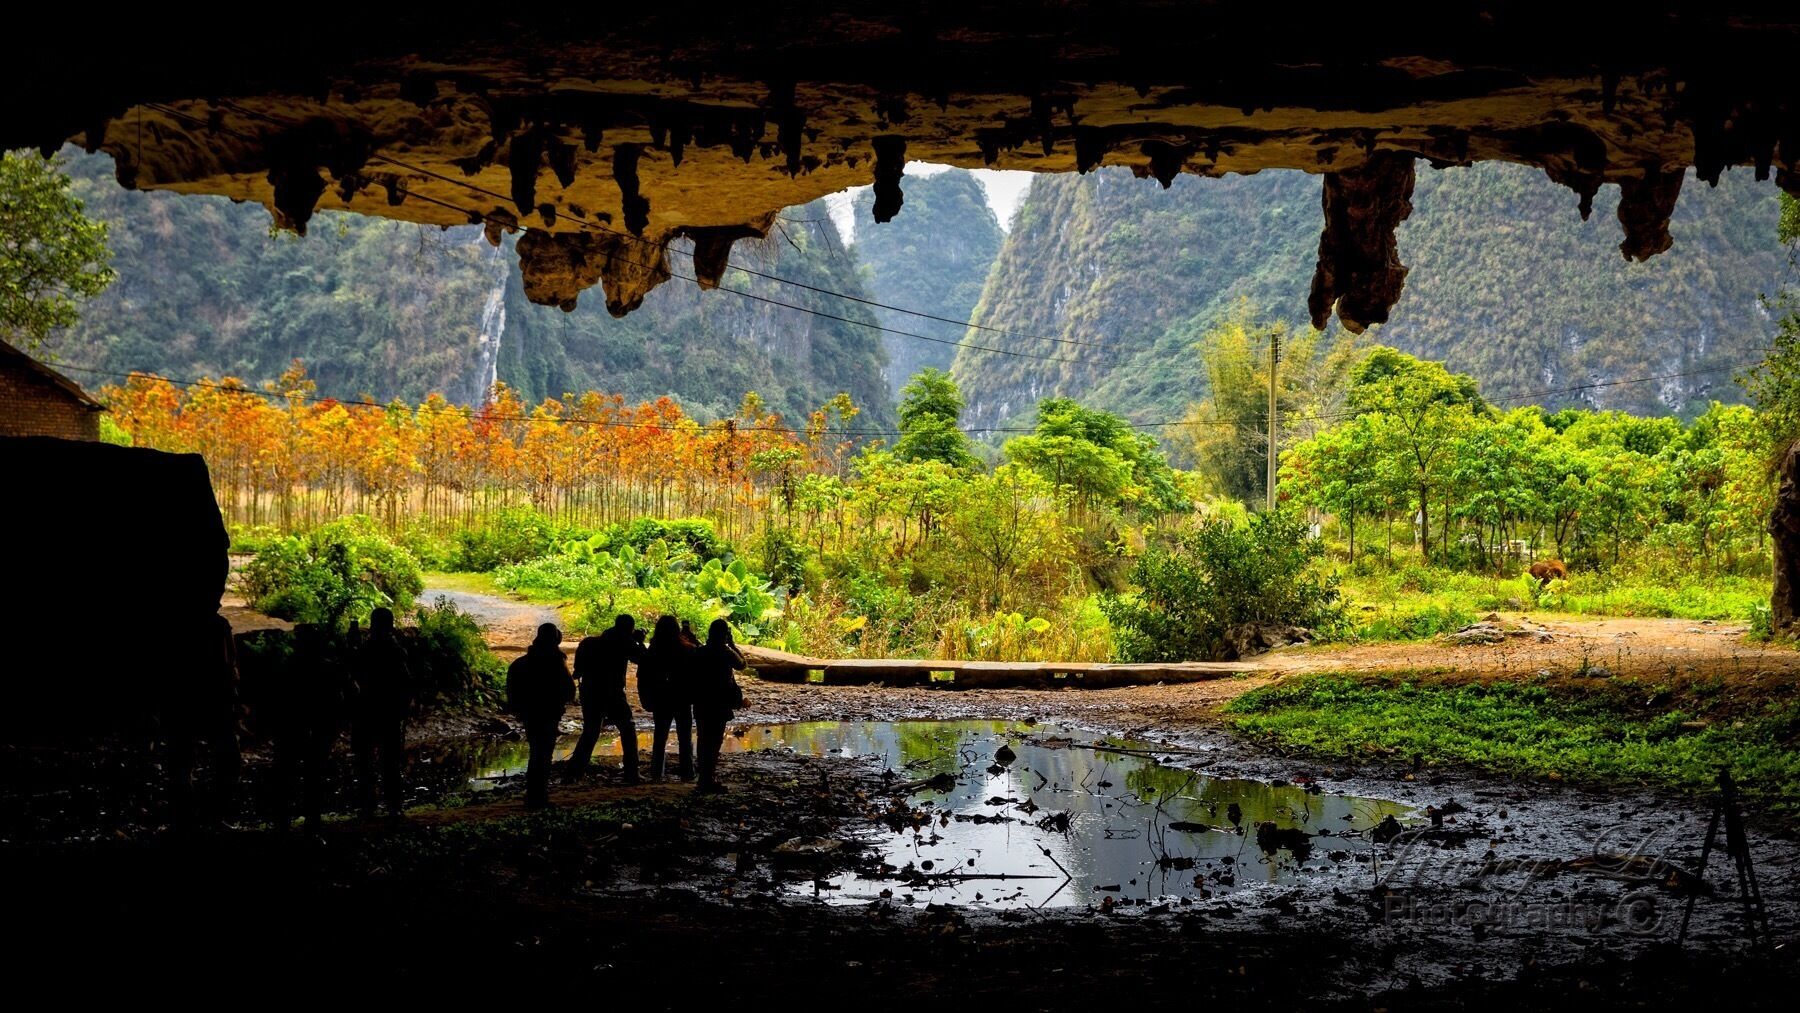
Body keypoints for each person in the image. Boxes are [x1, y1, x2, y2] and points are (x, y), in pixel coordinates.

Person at [268, 623, 346, 832]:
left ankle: (282, 820)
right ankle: (312, 821)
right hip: (318, 728)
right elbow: (339, 699)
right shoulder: (328, 668)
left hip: (294, 728)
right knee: (313, 775)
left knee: (287, 774)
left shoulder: (287, 667)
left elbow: (277, 702)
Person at [567, 614, 644, 784]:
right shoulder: (625, 642)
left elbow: (577, 670)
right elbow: (643, 660)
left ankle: (574, 772)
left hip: (590, 692)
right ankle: (631, 772)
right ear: (629, 629)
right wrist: (638, 641)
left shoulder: (588, 643)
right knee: (627, 729)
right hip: (613, 693)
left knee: (591, 731)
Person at [349, 607, 411, 820]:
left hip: (367, 710)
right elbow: (406, 683)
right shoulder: (396, 651)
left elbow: (354, 673)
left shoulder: (366, 649)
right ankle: (393, 805)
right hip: (390, 712)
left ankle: (369, 805)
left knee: (366, 761)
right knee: (390, 761)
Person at [507, 622, 575, 809]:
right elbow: (570, 691)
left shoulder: (519, 664)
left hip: (530, 716)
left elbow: (512, 694)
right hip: (548, 715)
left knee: (536, 753)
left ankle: (534, 795)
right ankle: (538, 797)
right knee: (543, 756)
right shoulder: (555, 663)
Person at [636, 616, 694, 781]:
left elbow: (643, 676)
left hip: (661, 698)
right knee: (685, 737)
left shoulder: (653, 652)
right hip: (682, 698)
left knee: (660, 737)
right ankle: (688, 773)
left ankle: (657, 773)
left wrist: (647, 700)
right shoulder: (686, 650)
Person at [692, 618, 745, 794]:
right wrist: (732, 644)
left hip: (701, 701)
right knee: (714, 741)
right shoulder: (726, 652)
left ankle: (703, 779)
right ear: (725, 634)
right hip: (720, 702)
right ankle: (708, 779)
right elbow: (742, 664)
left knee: (702, 739)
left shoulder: (700, 652)